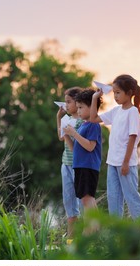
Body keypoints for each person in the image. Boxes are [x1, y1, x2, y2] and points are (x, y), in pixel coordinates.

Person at [90, 74, 140, 219]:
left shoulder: (133, 112)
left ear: (130, 93)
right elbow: (93, 118)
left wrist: (125, 162)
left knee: (132, 198)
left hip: (125, 163)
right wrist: (95, 98)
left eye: (118, 92)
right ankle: (116, 233)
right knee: (113, 199)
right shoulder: (116, 111)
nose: (115, 96)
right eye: (114, 92)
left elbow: (132, 138)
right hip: (112, 162)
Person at [64, 88, 102, 235]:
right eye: (77, 107)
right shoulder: (84, 125)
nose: (78, 111)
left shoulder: (93, 124)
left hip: (88, 166)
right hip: (79, 165)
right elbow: (76, 149)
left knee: (87, 199)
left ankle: (89, 231)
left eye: (81, 107)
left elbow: (90, 146)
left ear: (91, 107)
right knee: (86, 199)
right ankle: (95, 230)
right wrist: (67, 135)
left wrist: (74, 133)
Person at [56, 87, 83, 240]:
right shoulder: (67, 119)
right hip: (65, 164)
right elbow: (61, 137)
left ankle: (84, 237)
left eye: (68, 102)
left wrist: (67, 133)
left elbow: (71, 143)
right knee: (69, 202)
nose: (66, 105)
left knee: (80, 201)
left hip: (76, 166)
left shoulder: (80, 122)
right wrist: (58, 118)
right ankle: (71, 238)